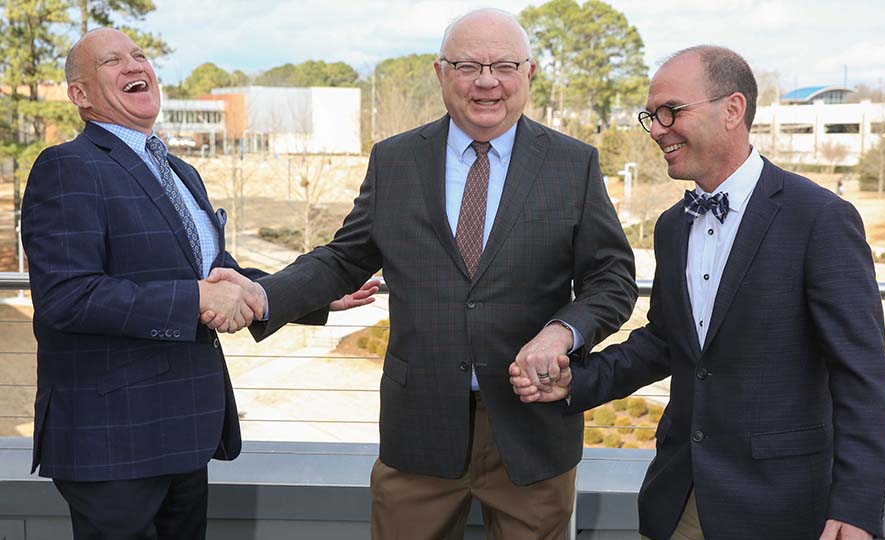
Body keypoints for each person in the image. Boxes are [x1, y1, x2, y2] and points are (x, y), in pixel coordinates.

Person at [211, 8, 637, 539]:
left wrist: (563, 331)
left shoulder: (573, 164)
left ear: (528, 74)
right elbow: (343, 259)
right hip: (418, 433)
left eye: (504, 65)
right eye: (467, 65)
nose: (487, 81)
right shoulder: (395, 161)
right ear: (440, 73)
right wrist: (261, 294)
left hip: (533, 431)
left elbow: (612, 280)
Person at [511, 46, 885, 540]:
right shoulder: (673, 226)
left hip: (784, 507)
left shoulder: (820, 219)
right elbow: (666, 342)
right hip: (680, 496)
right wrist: (577, 382)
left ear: (732, 109)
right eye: (652, 116)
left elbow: (863, 376)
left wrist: (858, 507)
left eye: (672, 111)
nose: (658, 129)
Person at [22, 28, 375, 540]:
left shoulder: (180, 171)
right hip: (113, 440)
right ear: (80, 95)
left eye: (139, 55)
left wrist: (308, 296)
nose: (134, 65)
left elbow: (217, 276)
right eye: (111, 61)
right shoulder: (67, 167)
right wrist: (195, 299)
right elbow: (66, 298)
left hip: (185, 430)